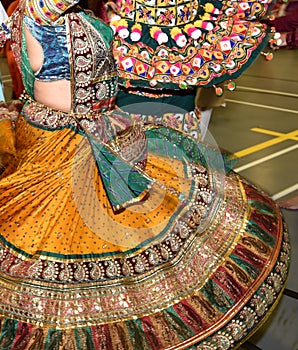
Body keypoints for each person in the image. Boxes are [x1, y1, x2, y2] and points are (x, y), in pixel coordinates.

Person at [0, 0, 290, 349]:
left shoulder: (64, 14)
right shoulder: (39, 10)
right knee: (60, 256)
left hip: (88, 134)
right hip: (64, 145)